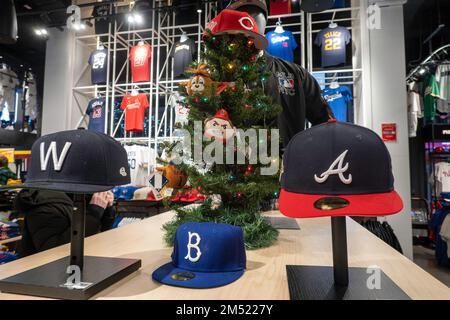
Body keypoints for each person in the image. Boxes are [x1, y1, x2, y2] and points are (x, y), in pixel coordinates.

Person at [228, 0, 333, 147]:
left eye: (254, 15)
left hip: (288, 165)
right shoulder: (220, 77)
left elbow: (326, 125)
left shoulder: (296, 74)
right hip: (233, 165)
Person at [14, 189, 116, 257]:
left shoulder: (81, 196)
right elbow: (53, 252)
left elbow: (99, 236)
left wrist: (106, 210)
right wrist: (94, 213)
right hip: (42, 277)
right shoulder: (47, 204)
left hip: (72, 272)